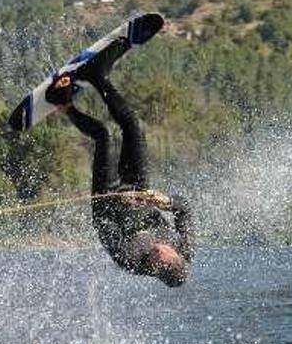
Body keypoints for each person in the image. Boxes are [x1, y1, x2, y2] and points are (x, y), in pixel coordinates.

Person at [44, 38, 194, 287]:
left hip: (108, 198)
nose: (158, 253)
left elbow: (103, 227)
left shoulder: (131, 261)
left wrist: (116, 200)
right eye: (165, 255)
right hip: (140, 190)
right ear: (176, 257)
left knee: (103, 135)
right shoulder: (185, 249)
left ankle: (63, 103)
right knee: (133, 127)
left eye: (156, 263)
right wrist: (164, 201)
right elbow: (184, 209)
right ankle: (98, 76)